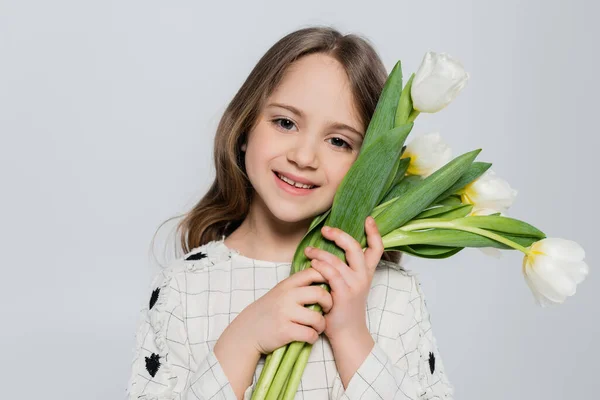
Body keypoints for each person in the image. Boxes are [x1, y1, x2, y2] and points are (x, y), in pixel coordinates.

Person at [126, 26, 454, 400]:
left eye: (338, 141)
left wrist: (350, 334)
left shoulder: (394, 296)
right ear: (246, 125)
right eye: (285, 122)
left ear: (369, 167)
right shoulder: (183, 290)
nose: (303, 157)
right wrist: (242, 341)